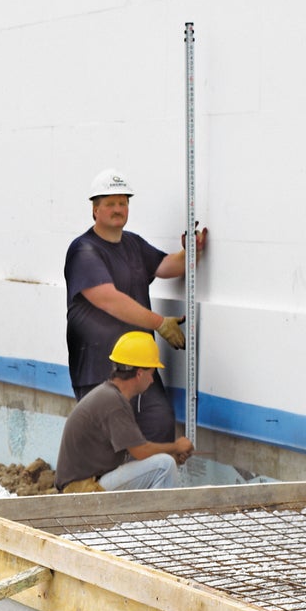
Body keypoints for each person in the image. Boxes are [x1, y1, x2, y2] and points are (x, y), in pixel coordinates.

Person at [63, 168, 206, 443]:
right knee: (107, 442)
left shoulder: (133, 244)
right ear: (95, 210)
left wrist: (190, 252)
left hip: (140, 368)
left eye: (123, 202)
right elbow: (109, 299)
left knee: (159, 426)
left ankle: (145, 483)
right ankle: (107, 485)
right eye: (110, 203)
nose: (118, 209)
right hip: (98, 369)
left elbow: (167, 266)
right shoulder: (84, 250)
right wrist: (160, 323)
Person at [55, 332, 194, 492]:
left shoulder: (109, 395)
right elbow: (141, 451)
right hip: (82, 490)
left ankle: (152, 515)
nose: (152, 380)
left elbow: (132, 455)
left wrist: (171, 453)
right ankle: (160, 516)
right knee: (165, 465)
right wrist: (176, 447)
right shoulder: (113, 402)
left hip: (85, 483)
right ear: (140, 373)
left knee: (165, 462)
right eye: (151, 373)